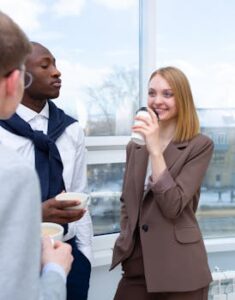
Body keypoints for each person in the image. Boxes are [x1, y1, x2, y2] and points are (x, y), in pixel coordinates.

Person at [110, 66, 213, 300]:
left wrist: (155, 151)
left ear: (182, 99)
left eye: (168, 94)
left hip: (180, 269)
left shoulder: (199, 145)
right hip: (137, 266)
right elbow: (128, 201)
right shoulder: (135, 147)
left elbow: (173, 205)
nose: (157, 101)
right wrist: (126, 242)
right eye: (152, 93)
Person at [0, 41, 93, 300]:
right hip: (13, 257)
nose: (56, 72)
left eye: (55, 64)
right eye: (45, 65)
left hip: (69, 256)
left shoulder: (71, 130)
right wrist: (35, 215)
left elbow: (79, 193)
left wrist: (84, 256)